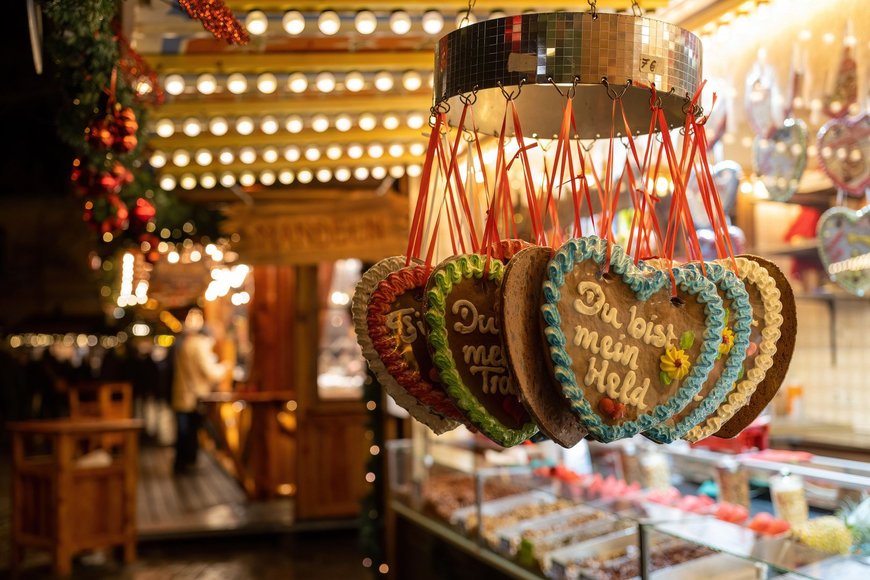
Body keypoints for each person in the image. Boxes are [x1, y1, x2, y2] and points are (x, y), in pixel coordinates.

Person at [171, 309, 226, 474]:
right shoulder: (200, 346)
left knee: (183, 433)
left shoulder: (184, 344)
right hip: (193, 396)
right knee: (190, 432)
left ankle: (182, 463)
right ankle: (188, 463)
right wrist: (225, 367)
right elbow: (210, 372)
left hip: (182, 393)